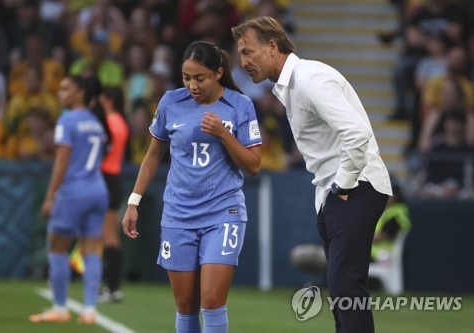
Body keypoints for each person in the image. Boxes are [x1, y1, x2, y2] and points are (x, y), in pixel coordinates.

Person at [232, 16, 392, 333]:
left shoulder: (309, 80)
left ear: (273, 46)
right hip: (341, 192)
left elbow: (357, 135)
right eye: (241, 54)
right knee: (342, 289)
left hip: (356, 186)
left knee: (345, 284)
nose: (244, 62)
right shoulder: (297, 84)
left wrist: (342, 189)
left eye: (249, 52)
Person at [121, 40, 262, 333]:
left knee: (211, 300)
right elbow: (152, 157)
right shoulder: (170, 102)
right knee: (186, 303)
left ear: (218, 73)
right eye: (187, 78)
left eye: (200, 78)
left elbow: (253, 165)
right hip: (178, 214)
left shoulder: (240, 105)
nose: (192, 85)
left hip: (224, 212)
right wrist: (133, 200)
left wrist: (224, 134)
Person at [29, 75, 109, 324]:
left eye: (66, 89)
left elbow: (62, 160)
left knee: (57, 247)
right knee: (91, 251)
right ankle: (90, 311)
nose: (60, 93)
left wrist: (50, 195)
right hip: (98, 189)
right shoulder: (96, 122)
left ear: (79, 93)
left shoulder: (67, 120)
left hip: (74, 191)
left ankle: (60, 307)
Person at [98, 86, 130, 302]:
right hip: (114, 178)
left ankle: (112, 287)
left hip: (107, 178)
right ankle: (111, 286)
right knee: (109, 236)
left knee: (108, 236)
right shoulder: (121, 121)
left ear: (108, 99)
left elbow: (102, 152)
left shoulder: (110, 122)